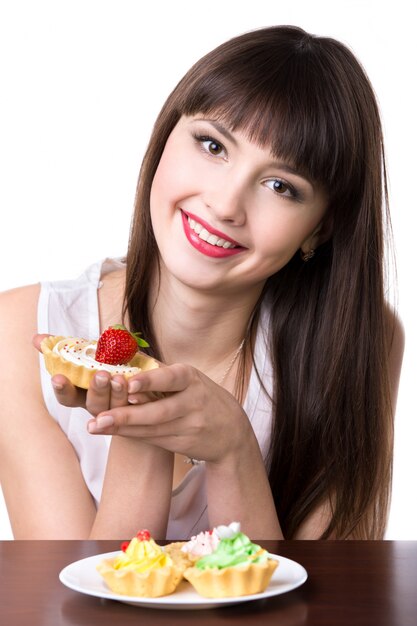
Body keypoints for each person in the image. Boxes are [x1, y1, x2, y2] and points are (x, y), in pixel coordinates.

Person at [0, 25, 404, 541]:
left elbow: (327, 612)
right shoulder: (18, 332)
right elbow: (79, 611)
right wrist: (142, 429)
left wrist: (234, 449)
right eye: (213, 145)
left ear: (320, 228)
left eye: (281, 186)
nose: (225, 204)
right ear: (166, 135)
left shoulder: (358, 338)